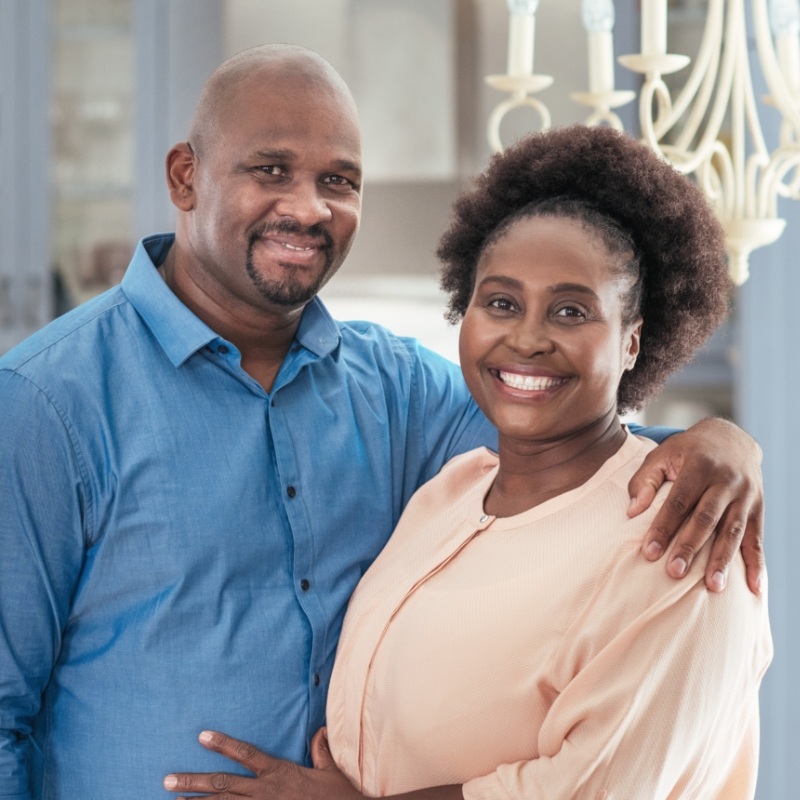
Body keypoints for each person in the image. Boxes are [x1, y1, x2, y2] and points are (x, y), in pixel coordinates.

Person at [0, 44, 762, 800]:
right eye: (270, 170)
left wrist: (720, 444)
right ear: (185, 176)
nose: (307, 207)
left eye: (339, 181)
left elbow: (559, 442)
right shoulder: (47, 402)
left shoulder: (393, 388)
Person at [162, 126, 772, 799]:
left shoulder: (681, 552)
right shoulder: (454, 490)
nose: (528, 338)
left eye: (571, 310)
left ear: (633, 341)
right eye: (501, 302)